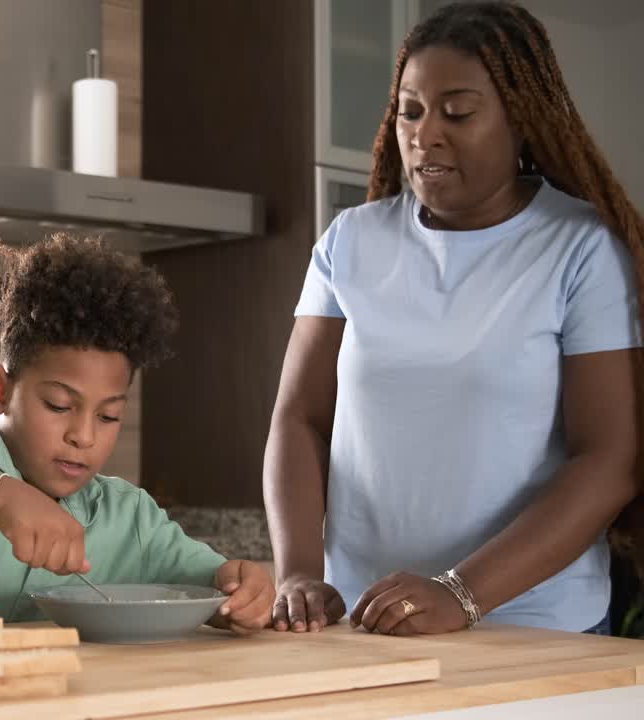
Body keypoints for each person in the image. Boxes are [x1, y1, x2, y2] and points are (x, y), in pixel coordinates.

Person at [265, 0, 644, 638]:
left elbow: (610, 458)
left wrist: (462, 593)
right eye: (410, 110)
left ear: (521, 121)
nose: (424, 133)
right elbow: (299, 418)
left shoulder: (580, 248)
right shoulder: (349, 241)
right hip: (366, 625)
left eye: (458, 112)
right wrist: (301, 573)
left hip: (536, 627)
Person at [0, 236, 275, 632]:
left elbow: (215, 590)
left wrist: (241, 592)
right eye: (60, 406)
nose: (83, 436)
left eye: (108, 417)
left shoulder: (130, 517)